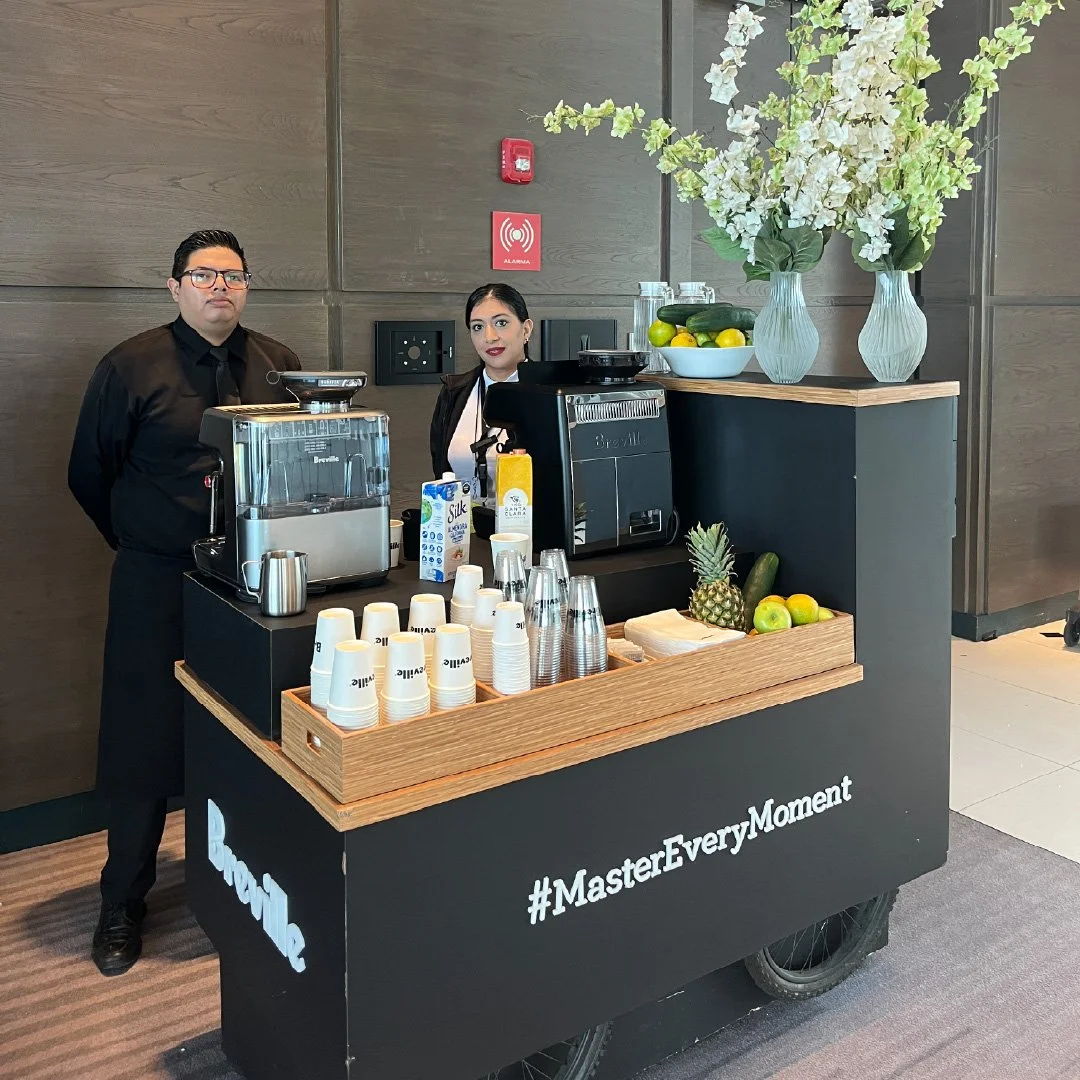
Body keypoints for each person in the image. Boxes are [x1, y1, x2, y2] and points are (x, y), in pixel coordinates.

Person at [68, 229, 301, 976]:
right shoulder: (130, 366)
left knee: (249, 733)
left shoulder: (279, 364)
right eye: (203, 275)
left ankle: (245, 887)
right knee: (142, 739)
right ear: (175, 287)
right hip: (157, 577)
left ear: (247, 286)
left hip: (254, 581)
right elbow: (89, 473)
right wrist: (141, 537)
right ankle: (121, 900)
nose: (219, 287)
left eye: (233, 275)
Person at [429, 283, 533, 506]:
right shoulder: (453, 392)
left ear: (526, 330)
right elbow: (440, 471)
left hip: (528, 524)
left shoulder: (550, 394)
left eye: (501, 323)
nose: (489, 337)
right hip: (462, 523)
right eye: (477, 327)